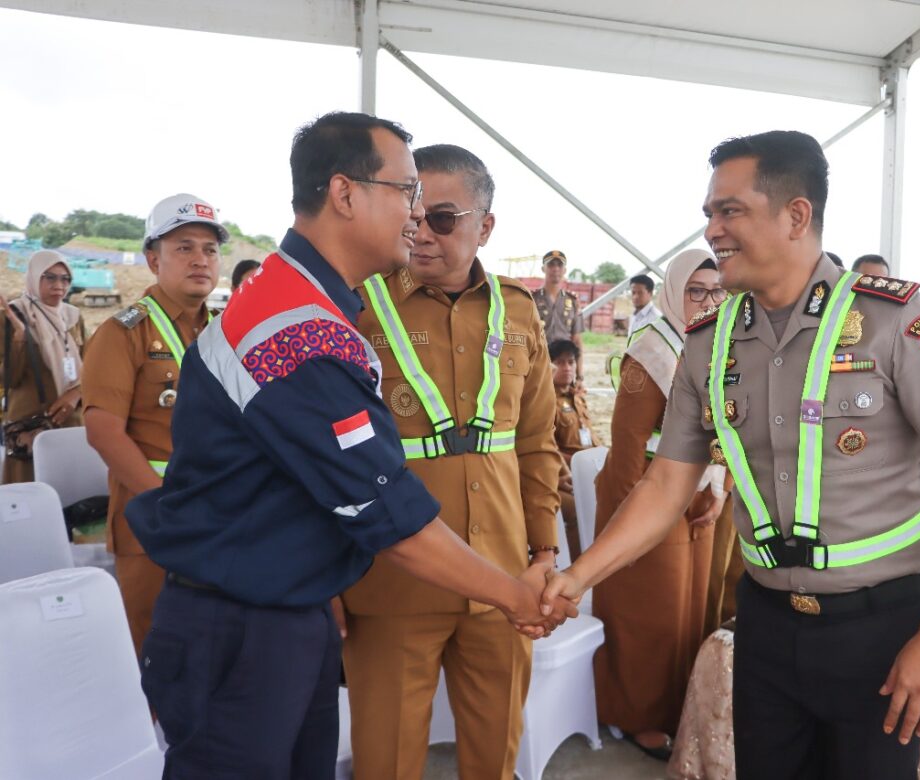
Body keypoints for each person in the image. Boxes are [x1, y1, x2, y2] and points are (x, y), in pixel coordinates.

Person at [543, 130, 920, 780]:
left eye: (728, 210)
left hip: (885, 629)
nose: (712, 230)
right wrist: (577, 576)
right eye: (709, 213)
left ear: (796, 216)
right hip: (765, 625)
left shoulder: (891, 320)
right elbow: (664, 485)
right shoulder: (709, 343)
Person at [125, 114, 574, 778]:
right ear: (344, 193)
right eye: (405, 192)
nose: (416, 216)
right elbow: (386, 511)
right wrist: (515, 595)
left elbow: (533, 440)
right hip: (247, 622)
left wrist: (533, 557)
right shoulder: (296, 330)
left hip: (285, 609)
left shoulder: (307, 305)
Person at [339, 142, 563, 780]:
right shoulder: (358, 305)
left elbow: (536, 441)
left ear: (484, 226)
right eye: (412, 217)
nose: (422, 234)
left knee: (494, 758)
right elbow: (324, 455)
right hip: (389, 580)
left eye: (442, 218)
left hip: (503, 580)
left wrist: (543, 555)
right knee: (385, 762)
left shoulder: (518, 311)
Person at [591, 248, 730, 760]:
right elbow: (627, 449)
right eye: (697, 291)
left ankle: (677, 709)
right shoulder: (652, 351)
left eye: (717, 291)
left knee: (690, 614)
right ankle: (634, 716)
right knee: (649, 616)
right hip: (646, 495)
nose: (709, 301)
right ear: (674, 292)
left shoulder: (717, 344)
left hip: (700, 496)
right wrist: (636, 522)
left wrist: (719, 487)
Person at [81, 193, 224, 656]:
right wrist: (167, 503)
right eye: (184, 247)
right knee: (159, 654)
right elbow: (103, 431)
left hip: (220, 517)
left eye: (210, 249)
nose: (200, 259)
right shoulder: (124, 332)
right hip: (155, 522)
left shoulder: (225, 334)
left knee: (215, 652)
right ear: (152, 259)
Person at [0, 249, 86, 483]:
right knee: (29, 497)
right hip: (31, 425)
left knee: (71, 496)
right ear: (34, 277)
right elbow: (9, 379)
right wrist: (20, 337)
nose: (59, 284)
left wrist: (76, 394)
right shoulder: (12, 314)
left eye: (65, 278)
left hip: (70, 419)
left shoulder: (73, 316)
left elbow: (88, 367)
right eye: (50, 277)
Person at [549, 337, 596, 559]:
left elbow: (592, 439)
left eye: (571, 362)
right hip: (564, 475)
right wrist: (573, 468)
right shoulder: (548, 401)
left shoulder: (577, 398)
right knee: (577, 508)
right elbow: (548, 448)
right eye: (559, 362)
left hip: (589, 469)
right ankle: (579, 568)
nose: (567, 368)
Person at [532, 249, 584, 385]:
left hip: (564, 365)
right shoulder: (532, 300)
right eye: (551, 265)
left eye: (559, 265)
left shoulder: (572, 301)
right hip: (540, 363)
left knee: (563, 403)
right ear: (543, 268)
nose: (555, 269)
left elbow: (577, 340)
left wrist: (579, 376)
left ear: (564, 270)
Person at [627, 273, 661, 338]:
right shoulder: (634, 314)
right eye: (633, 292)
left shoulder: (656, 319)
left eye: (640, 293)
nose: (635, 297)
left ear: (650, 293)